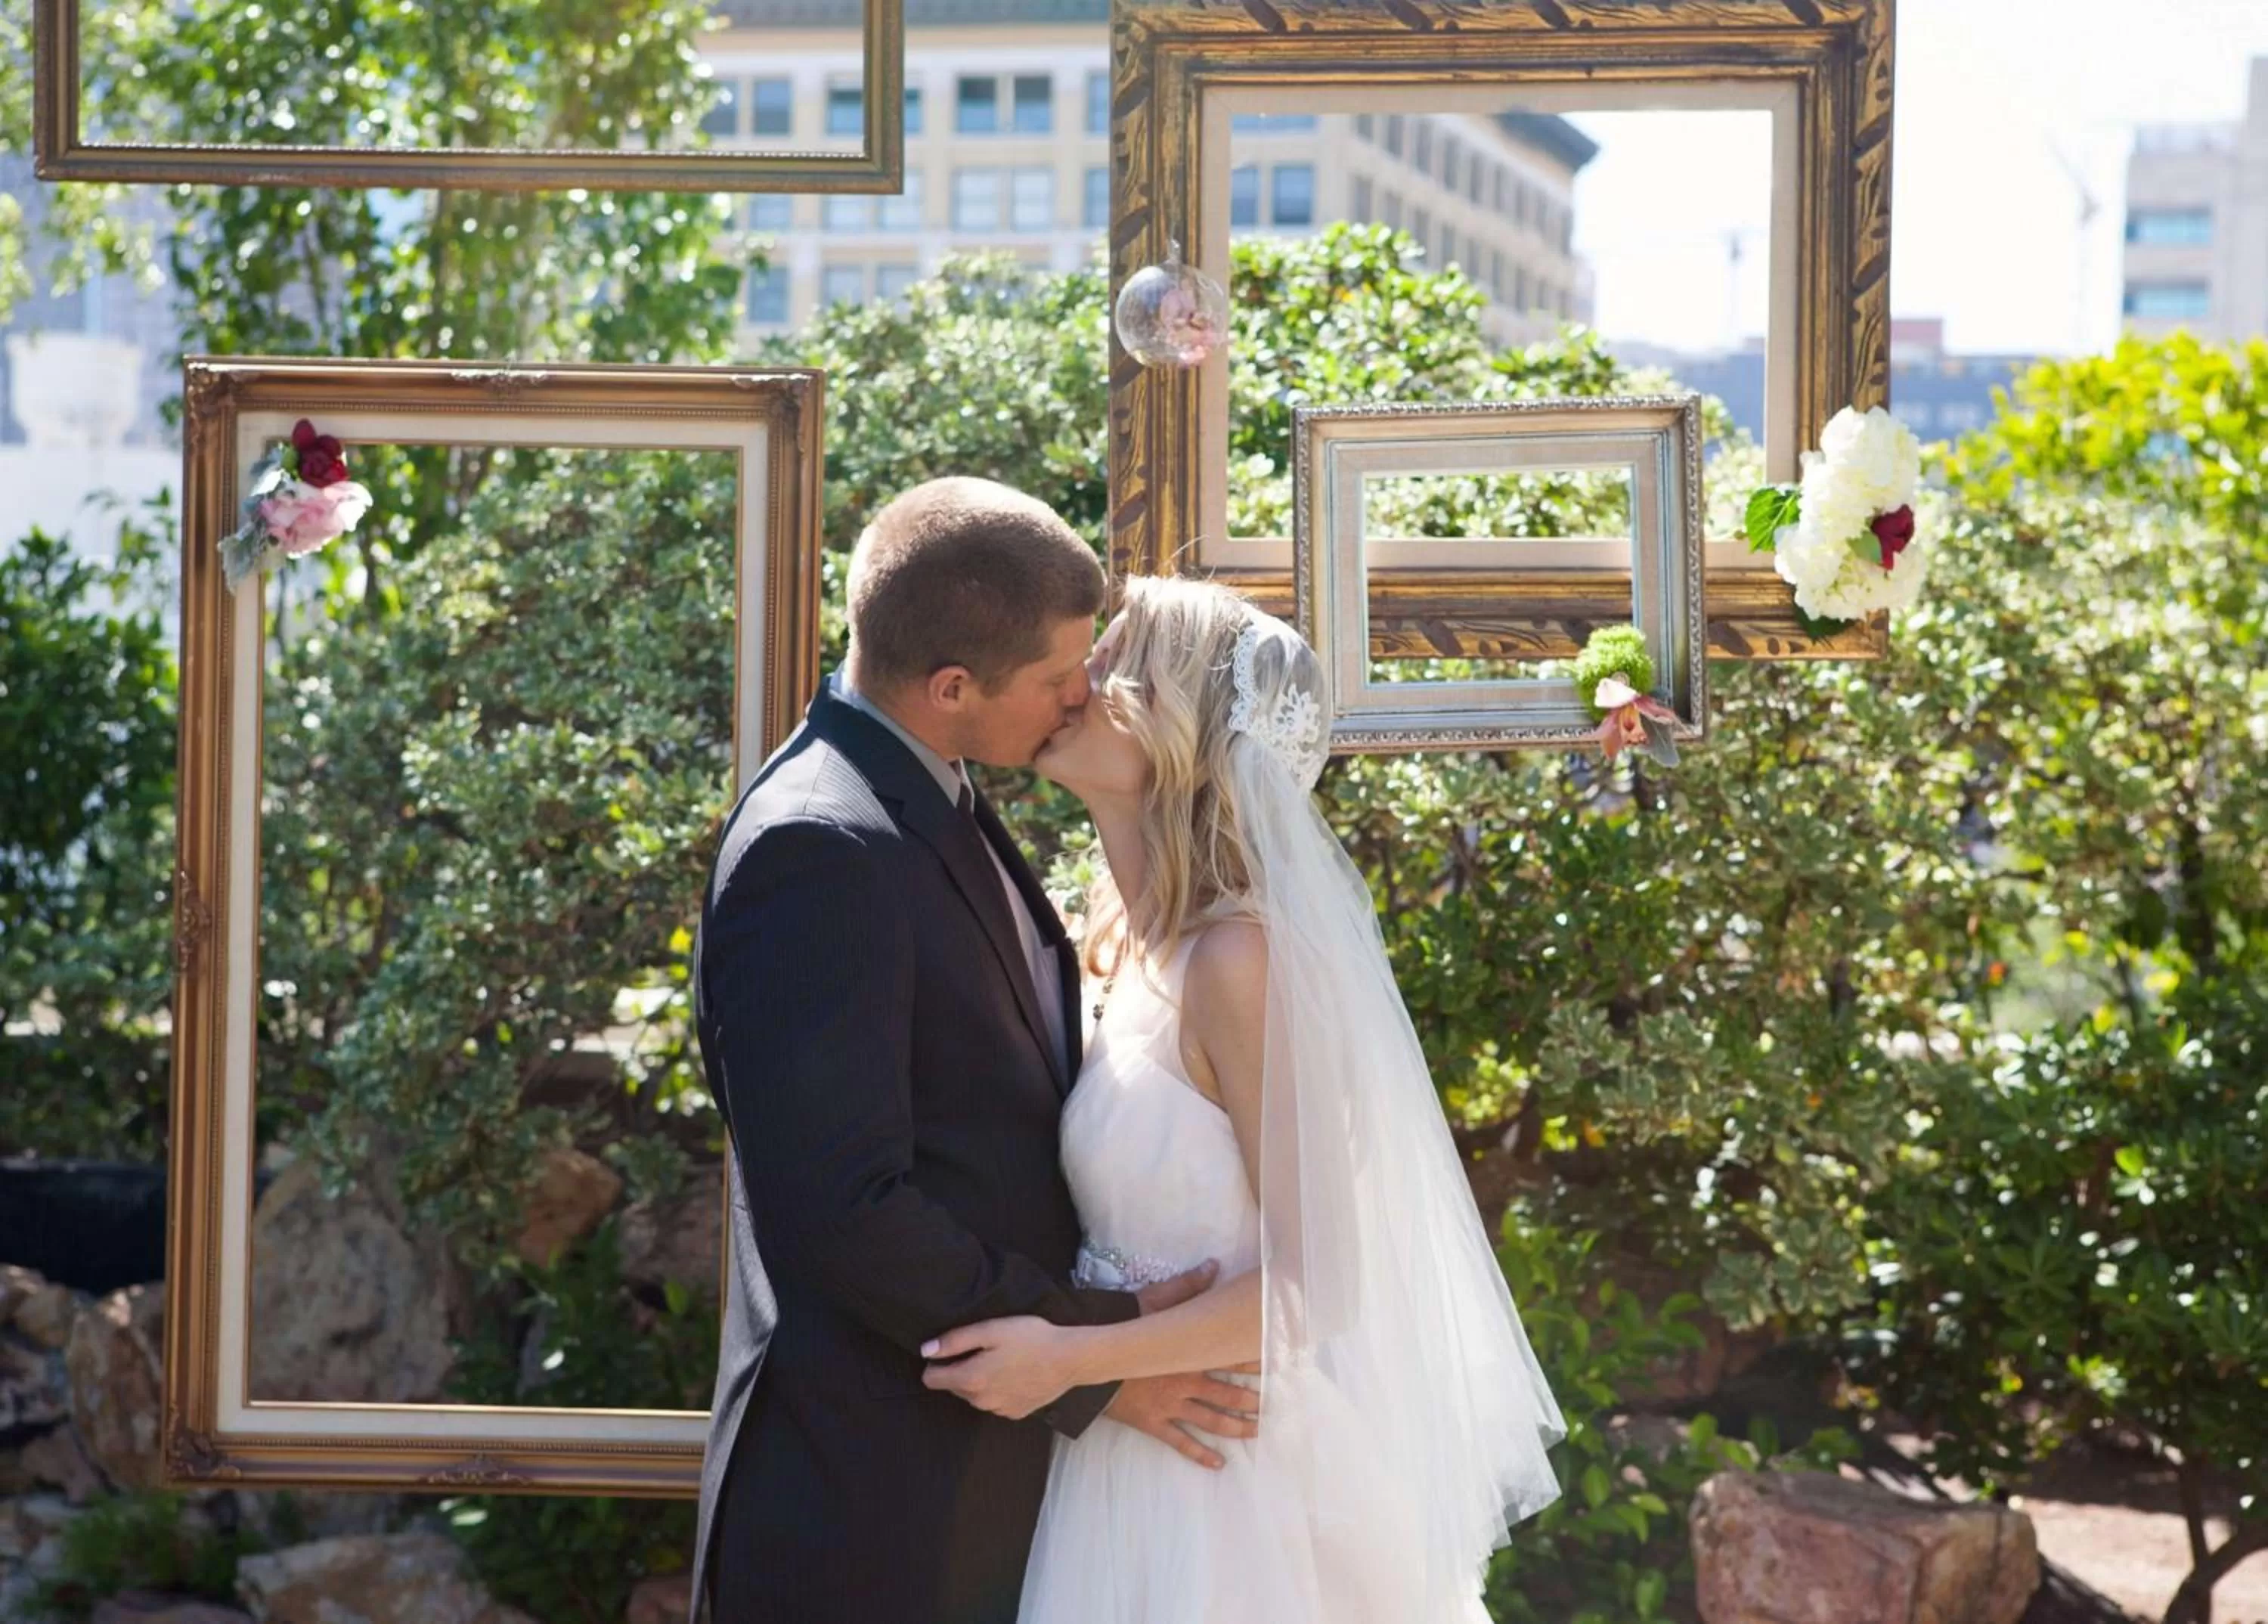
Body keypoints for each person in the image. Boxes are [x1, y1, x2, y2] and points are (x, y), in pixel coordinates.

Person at [919, 575, 1568, 1622]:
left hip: (1229, 1483)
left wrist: (1073, 1362)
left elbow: (1319, 1289)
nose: (1076, 684)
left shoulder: (1239, 963)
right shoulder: (1118, 947)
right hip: (1120, 1459)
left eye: (1116, 667)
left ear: (1182, 728)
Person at [686, 482, 1258, 1624]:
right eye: (1059, 677)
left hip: (989, 1482)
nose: (1081, 694)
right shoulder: (820, 845)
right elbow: (847, 1208)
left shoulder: (932, 792)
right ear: (952, 689)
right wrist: (1096, 1361)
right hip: (872, 1501)